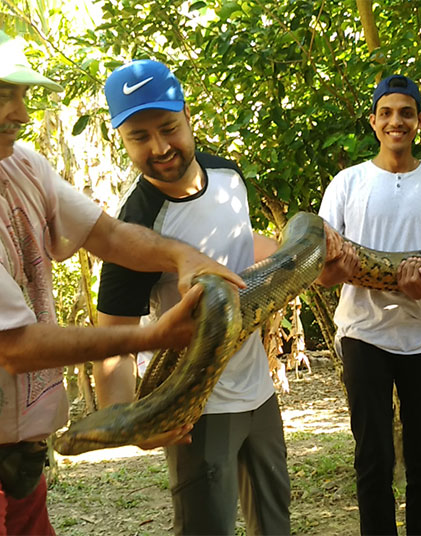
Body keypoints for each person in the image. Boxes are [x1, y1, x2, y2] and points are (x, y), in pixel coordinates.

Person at [0, 19, 245, 535]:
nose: (22, 115)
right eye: (3, 95)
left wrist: (185, 258)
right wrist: (152, 337)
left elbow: (111, 236)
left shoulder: (18, 165)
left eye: (25, 96)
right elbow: (10, 346)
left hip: (21, 448)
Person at [93, 59, 347, 536]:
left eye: (168, 128)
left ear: (188, 115)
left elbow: (240, 243)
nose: (161, 147)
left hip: (258, 388)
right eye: (139, 137)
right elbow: (114, 339)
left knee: (275, 522)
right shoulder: (135, 226)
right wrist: (132, 421)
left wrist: (313, 259)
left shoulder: (227, 175)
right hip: (198, 407)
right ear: (122, 139)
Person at [318, 74, 421, 536]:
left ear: (419, 121)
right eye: (387, 112)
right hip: (363, 333)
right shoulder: (348, 182)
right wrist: (342, 268)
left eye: (406, 112)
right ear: (374, 121)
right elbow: (320, 272)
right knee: (373, 459)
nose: (396, 121)